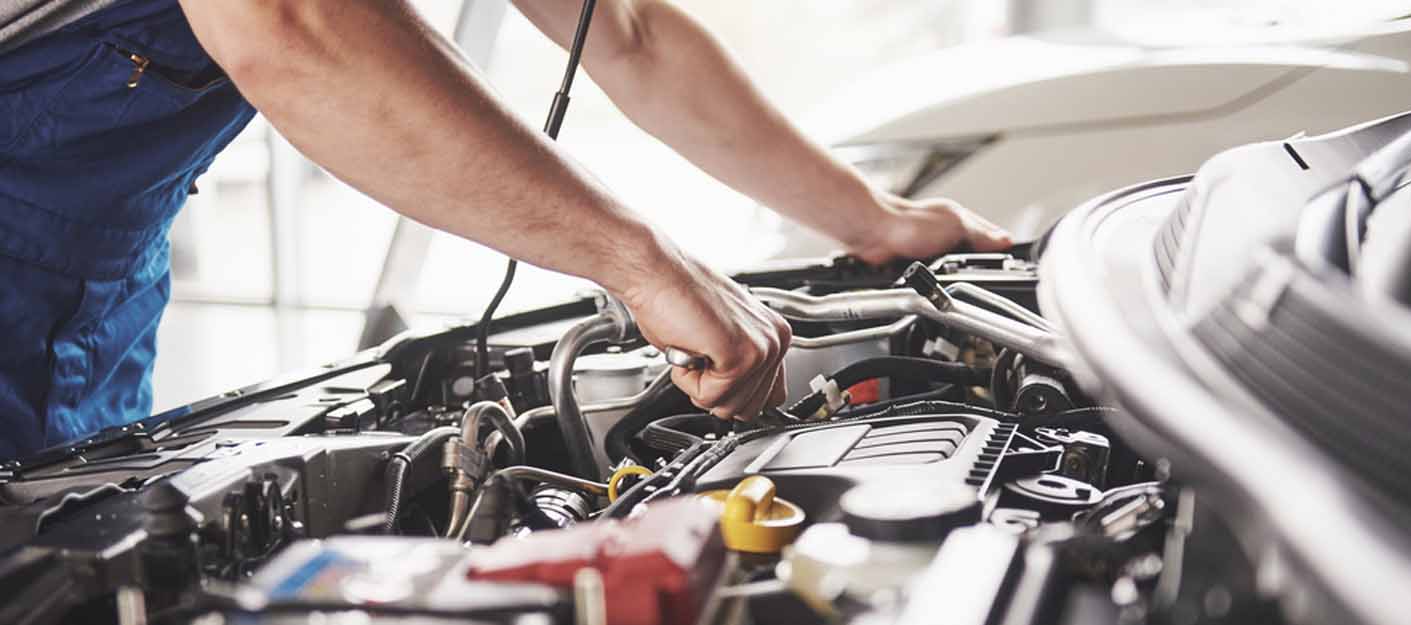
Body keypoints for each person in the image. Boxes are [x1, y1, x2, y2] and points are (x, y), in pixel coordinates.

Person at [0, 0, 1010, 461]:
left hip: (92, 286)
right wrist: (638, 261)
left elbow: (627, 32)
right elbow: (291, 26)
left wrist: (876, 221)